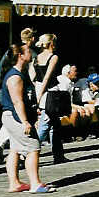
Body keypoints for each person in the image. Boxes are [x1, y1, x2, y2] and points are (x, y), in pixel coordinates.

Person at [0, 44, 54, 193]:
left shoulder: (21, 73)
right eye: (28, 51)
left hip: (12, 116)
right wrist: (24, 121)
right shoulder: (15, 77)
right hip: (16, 117)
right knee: (33, 147)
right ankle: (35, 184)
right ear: (20, 56)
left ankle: (14, 183)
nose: (32, 54)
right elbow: (17, 101)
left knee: (15, 149)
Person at [0, 27, 37, 162]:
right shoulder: (22, 52)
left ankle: (1, 144)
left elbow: (0, 68)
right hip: (14, 86)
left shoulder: (19, 52)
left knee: (12, 116)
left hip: (11, 85)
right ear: (32, 38)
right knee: (15, 114)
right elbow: (1, 68)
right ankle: (20, 152)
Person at [33, 34, 62, 162]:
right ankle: (29, 152)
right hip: (50, 92)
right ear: (52, 43)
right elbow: (47, 77)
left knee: (55, 124)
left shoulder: (36, 58)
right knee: (46, 123)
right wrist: (39, 95)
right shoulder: (53, 57)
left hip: (39, 89)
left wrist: (36, 92)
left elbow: (33, 77)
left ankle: (58, 154)